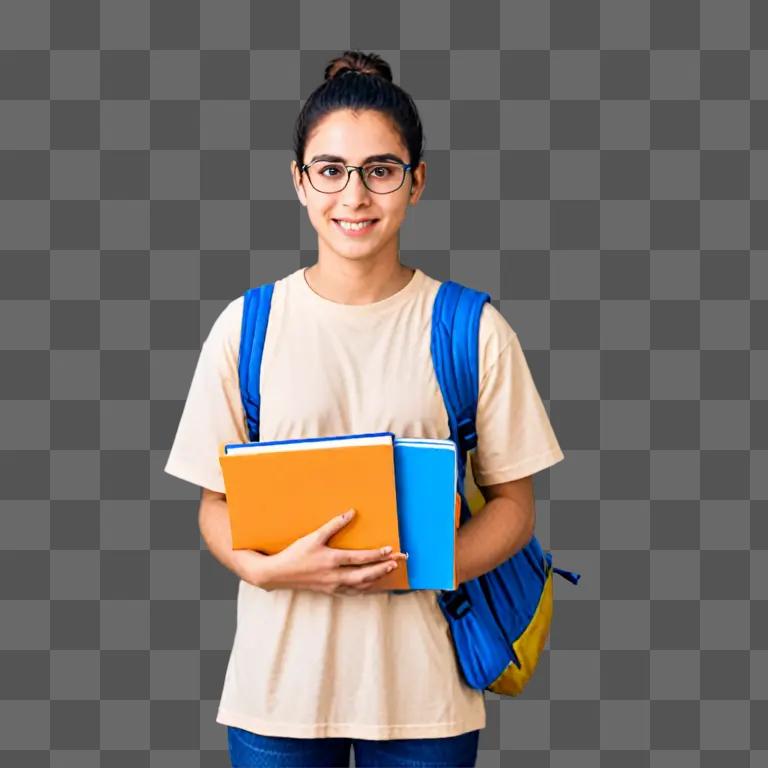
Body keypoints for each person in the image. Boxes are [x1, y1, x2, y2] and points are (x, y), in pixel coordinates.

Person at [164, 49, 565, 768]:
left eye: (380, 170)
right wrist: (269, 570)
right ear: (299, 181)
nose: (354, 197)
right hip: (276, 692)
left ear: (416, 182)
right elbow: (212, 507)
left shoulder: (470, 329)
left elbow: (515, 507)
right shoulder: (245, 328)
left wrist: (418, 569)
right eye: (331, 170)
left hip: (426, 695)